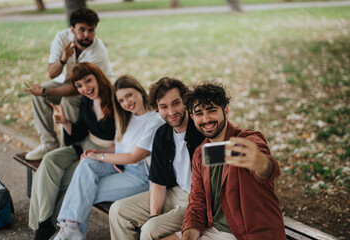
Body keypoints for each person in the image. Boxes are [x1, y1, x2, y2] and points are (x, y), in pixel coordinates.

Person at [168, 83, 286, 240]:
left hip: (248, 234)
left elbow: (267, 170)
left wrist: (261, 163)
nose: (206, 119)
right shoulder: (200, 153)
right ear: (192, 117)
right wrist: (188, 235)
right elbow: (197, 202)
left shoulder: (248, 140)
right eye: (199, 113)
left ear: (225, 111)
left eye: (212, 111)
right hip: (214, 229)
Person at [53, 75, 165, 240]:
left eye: (129, 95)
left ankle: (70, 230)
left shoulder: (153, 121)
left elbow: (134, 156)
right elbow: (121, 148)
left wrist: (102, 157)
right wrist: (96, 154)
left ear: (140, 91)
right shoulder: (129, 116)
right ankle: (71, 228)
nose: (126, 103)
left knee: (83, 192)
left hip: (140, 177)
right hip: (123, 170)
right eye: (121, 100)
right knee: (86, 165)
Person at [28, 62, 116, 240]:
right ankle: (44, 222)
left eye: (88, 81)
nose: (85, 88)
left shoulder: (115, 100)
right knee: (49, 161)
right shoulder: (86, 101)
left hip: (104, 152)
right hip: (84, 144)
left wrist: (102, 153)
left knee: (67, 181)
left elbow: (126, 139)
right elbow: (79, 133)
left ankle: (51, 229)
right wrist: (65, 122)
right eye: (79, 86)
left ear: (98, 77)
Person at [109, 77, 205, 240]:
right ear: (157, 109)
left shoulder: (201, 130)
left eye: (176, 103)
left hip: (196, 200)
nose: (171, 112)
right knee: (118, 210)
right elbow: (158, 183)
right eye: (163, 106)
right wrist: (155, 215)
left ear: (185, 101)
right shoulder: (162, 134)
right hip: (174, 192)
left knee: (150, 230)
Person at [24, 8, 114, 160]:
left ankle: (71, 147)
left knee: (69, 100)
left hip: (95, 88)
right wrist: (63, 58)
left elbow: (77, 89)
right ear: (72, 29)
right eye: (82, 30)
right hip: (68, 81)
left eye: (91, 30)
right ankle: (49, 144)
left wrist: (45, 92)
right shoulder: (61, 38)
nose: (87, 35)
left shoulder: (98, 52)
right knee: (38, 97)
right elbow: (52, 73)